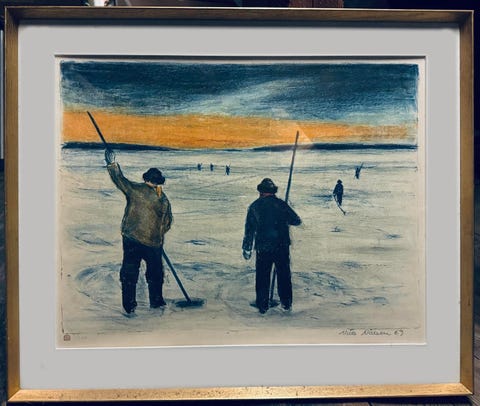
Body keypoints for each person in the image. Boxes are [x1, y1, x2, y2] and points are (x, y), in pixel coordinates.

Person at [105, 149, 173, 315]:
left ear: (146, 179)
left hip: (132, 239)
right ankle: (156, 301)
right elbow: (167, 222)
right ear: (158, 182)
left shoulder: (135, 190)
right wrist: (158, 234)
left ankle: (129, 305)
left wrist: (112, 164)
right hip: (153, 242)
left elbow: (120, 180)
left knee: (130, 272)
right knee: (155, 273)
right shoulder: (163, 198)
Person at [242, 178, 301, 314]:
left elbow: (249, 230)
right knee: (284, 275)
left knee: (262, 276)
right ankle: (286, 304)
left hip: (263, 247)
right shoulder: (281, 204)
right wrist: (284, 217)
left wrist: (247, 247)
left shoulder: (255, 206)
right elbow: (296, 221)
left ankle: (262, 305)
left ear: (261, 191)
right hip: (281, 246)